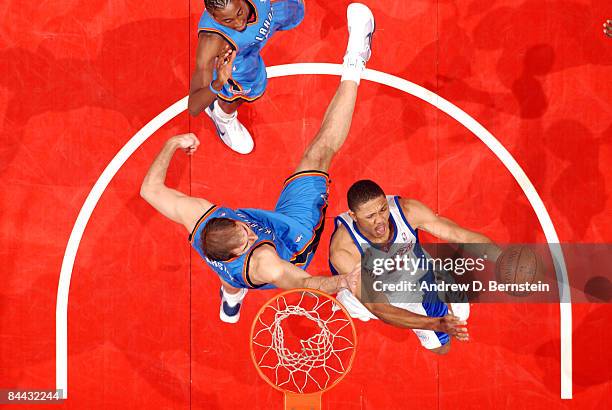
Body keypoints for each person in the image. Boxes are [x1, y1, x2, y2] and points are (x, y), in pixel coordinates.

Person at [141, 4, 375, 323]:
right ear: (241, 252)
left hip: (240, 260)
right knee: (318, 152)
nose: (250, 234)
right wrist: (345, 282)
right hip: (294, 237)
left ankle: (232, 297)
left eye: (241, 229)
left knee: (230, 277)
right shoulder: (265, 261)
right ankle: (356, 57)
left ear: (219, 220)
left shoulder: (198, 221)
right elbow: (305, 283)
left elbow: (150, 189)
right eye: (247, 240)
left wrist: (171, 144)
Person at [329, 180, 501, 354]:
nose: (380, 220)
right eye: (370, 216)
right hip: (379, 294)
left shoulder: (407, 211)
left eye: (383, 209)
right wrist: (435, 323)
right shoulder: (344, 251)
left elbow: (460, 235)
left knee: (457, 318)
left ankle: (440, 282)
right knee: (442, 348)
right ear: (353, 216)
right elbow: (380, 308)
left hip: (414, 274)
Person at [188, 0, 306, 154]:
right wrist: (219, 82)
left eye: (239, 13)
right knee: (251, 87)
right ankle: (222, 116)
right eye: (227, 20)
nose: (238, 24)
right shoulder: (211, 41)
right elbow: (194, 107)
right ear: (213, 16)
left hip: (268, 19)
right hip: (238, 60)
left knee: (295, 11)